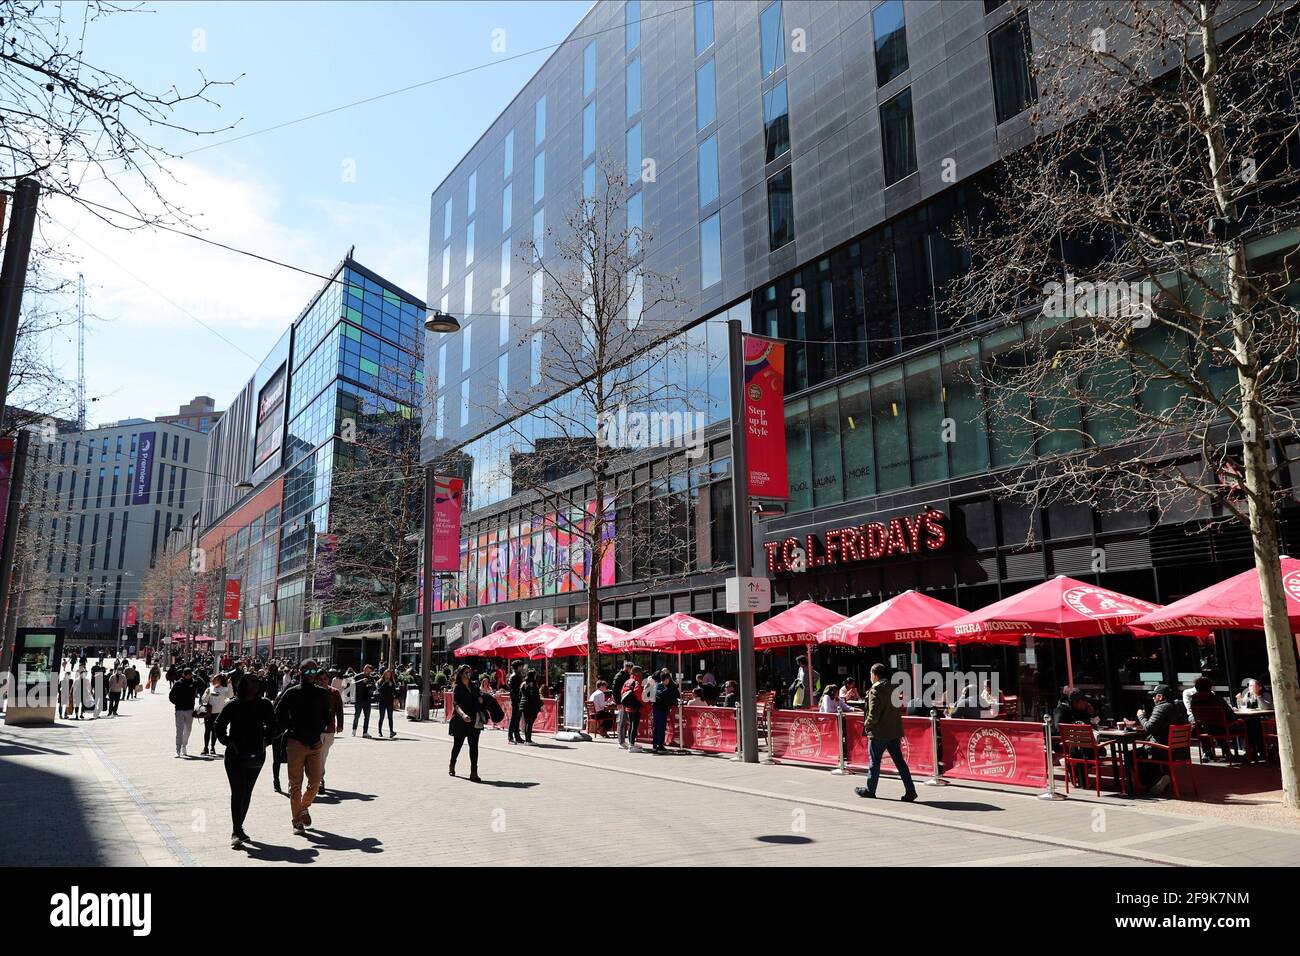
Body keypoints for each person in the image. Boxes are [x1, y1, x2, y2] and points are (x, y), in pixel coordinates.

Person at [215, 674, 276, 849]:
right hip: (235, 755)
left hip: (256, 754)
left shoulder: (264, 704)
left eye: (256, 683)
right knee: (238, 792)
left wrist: (266, 741)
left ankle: (239, 827)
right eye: (251, 683)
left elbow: (273, 726)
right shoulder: (233, 704)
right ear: (243, 685)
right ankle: (236, 831)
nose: (255, 686)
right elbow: (219, 725)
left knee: (247, 792)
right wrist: (228, 742)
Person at [274, 659, 333, 835]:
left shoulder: (323, 694)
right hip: (295, 743)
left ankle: (303, 807)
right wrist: (283, 730)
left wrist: (319, 732)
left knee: (315, 782)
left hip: (315, 743)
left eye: (313, 671)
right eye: (307, 671)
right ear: (300, 672)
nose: (311, 674)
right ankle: (296, 820)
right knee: (295, 784)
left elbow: (326, 716)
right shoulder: (292, 693)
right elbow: (278, 713)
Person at [854, 663, 918, 801]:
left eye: (871, 674)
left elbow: (873, 715)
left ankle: (870, 789)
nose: (870, 677)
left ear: (875, 675)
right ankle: (910, 790)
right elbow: (900, 708)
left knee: (874, 762)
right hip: (894, 731)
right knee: (900, 763)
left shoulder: (875, 691)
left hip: (879, 733)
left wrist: (866, 725)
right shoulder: (894, 688)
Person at [1126, 684, 1190, 795]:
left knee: (1130, 755)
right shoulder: (1179, 706)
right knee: (1145, 751)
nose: (1153, 698)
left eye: (1154, 696)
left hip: (1163, 749)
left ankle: (1153, 782)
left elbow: (1149, 727)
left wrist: (1141, 716)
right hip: (1180, 750)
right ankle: (1159, 780)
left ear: (1160, 696)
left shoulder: (1161, 707)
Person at [448, 664, 485, 781]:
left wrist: (481, 698)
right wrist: (463, 715)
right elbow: (455, 704)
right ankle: (452, 764)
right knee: (457, 745)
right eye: (466, 672)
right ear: (461, 674)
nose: (469, 674)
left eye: (470, 672)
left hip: (474, 720)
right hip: (460, 720)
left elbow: (479, 696)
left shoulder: (474, 686)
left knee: (474, 747)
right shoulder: (457, 687)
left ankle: (474, 772)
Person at [317, 669, 344, 794]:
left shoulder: (334, 692)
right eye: (320, 679)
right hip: (315, 730)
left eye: (325, 679)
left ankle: (319, 778)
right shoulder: (313, 692)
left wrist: (340, 725)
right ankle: (318, 779)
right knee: (316, 756)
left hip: (329, 730)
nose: (323, 681)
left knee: (323, 755)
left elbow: (339, 709)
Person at [168, 667, 202, 755]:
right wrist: (177, 703)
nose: (190, 676)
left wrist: (196, 675)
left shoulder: (193, 682)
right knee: (179, 730)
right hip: (179, 710)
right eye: (188, 675)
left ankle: (184, 746)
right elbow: (171, 696)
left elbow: (202, 683)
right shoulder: (178, 683)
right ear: (184, 675)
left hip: (190, 710)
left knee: (188, 729)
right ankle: (178, 750)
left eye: (191, 675)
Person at [200, 674, 233, 755]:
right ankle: (205, 748)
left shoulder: (224, 689)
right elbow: (203, 700)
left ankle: (212, 747)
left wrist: (229, 684)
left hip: (218, 713)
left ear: (220, 680)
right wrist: (207, 694)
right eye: (213, 679)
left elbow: (231, 695)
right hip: (209, 713)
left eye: (216, 679)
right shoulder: (209, 688)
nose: (214, 680)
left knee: (214, 731)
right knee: (207, 731)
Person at [651, 669, 678, 753]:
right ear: (666, 679)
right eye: (668, 679)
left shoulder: (655, 686)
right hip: (662, 710)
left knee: (656, 728)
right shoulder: (666, 689)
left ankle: (655, 745)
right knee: (661, 728)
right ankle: (660, 745)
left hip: (656, 709)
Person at [620, 666, 645, 751]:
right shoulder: (636, 682)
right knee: (635, 725)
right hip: (636, 707)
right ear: (638, 673)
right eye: (641, 673)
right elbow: (639, 695)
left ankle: (631, 742)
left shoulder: (627, 681)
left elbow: (622, 692)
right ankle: (632, 745)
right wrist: (644, 703)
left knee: (631, 724)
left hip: (628, 706)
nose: (642, 675)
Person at [612, 661, 634, 747]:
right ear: (627, 668)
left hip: (625, 701)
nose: (631, 671)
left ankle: (624, 741)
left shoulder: (625, 675)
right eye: (631, 669)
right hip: (622, 702)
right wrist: (618, 702)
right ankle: (621, 742)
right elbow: (615, 690)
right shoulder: (619, 676)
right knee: (621, 721)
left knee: (625, 721)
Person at [519, 669, 543, 744]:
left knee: (527, 722)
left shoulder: (523, 684)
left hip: (524, 705)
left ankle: (527, 740)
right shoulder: (533, 684)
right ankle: (528, 740)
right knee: (530, 723)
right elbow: (534, 696)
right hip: (531, 705)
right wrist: (539, 703)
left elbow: (521, 695)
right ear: (534, 676)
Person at [351, 664, 376, 737]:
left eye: (369, 671)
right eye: (366, 670)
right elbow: (352, 684)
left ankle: (365, 732)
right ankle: (354, 729)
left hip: (367, 700)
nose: (367, 672)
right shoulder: (358, 676)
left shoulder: (371, 678)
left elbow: (374, 687)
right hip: (359, 699)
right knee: (357, 715)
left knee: (367, 717)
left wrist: (372, 689)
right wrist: (362, 681)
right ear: (364, 670)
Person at [506, 659, 527, 744]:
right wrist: (517, 701)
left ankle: (517, 737)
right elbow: (514, 691)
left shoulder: (515, 675)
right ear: (518, 667)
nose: (522, 668)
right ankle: (511, 737)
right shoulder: (515, 676)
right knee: (514, 718)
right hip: (516, 701)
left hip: (516, 700)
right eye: (521, 666)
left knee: (516, 719)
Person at [376, 669, 400, 739]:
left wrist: (396, 699)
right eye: (386, 674)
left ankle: (391, 732)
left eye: (389, 675)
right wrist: (385, 683)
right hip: (382, 701)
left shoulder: (392, 682)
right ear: (384, 675)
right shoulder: (380, 681)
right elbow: (379, 690)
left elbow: (395, 692)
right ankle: (380, 732)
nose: (387, 676)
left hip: (389, 701)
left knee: (390, 717)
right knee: (381, 717)